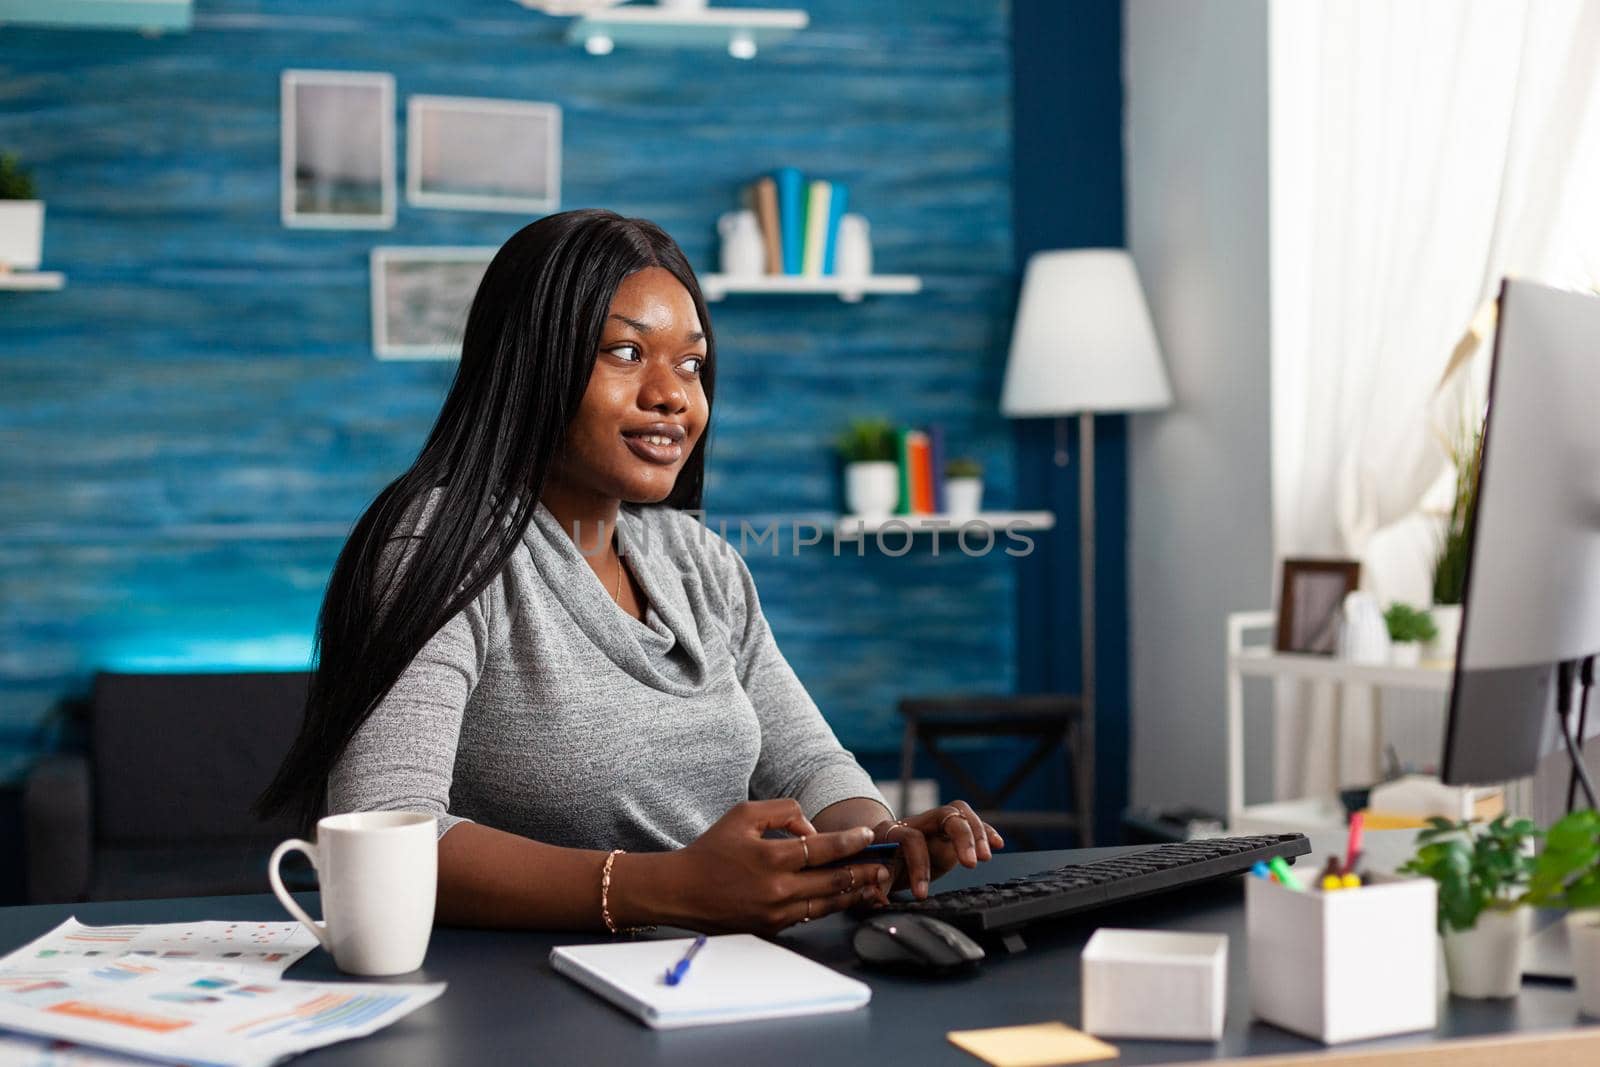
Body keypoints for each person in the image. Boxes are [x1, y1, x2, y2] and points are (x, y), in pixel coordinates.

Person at [256, 209, 1004, 934]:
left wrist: (878, 840)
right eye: (625, 352)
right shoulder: (443, 542)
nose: (672, 395)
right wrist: (662, 890)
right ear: (532, 363)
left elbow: (809, 764)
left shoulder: (701, 561)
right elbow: (385, 828)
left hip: (723, 982)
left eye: (691, 363)